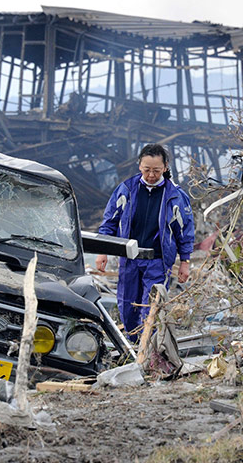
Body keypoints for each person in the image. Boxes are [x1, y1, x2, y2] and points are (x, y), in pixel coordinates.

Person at [96, 144, 195, 340]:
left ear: (165, 167)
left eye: (156, 170)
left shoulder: (175, 196)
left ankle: (148, 350)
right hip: (129, 258)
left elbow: (184, 231)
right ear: (139, 165)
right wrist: (102, 251)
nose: (151, 174)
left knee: (152, 307)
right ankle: (133, 347)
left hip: (158, 261)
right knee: (127, 304)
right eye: (147, 169)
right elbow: (110, 221)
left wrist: (185, 261)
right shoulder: (126, 189)